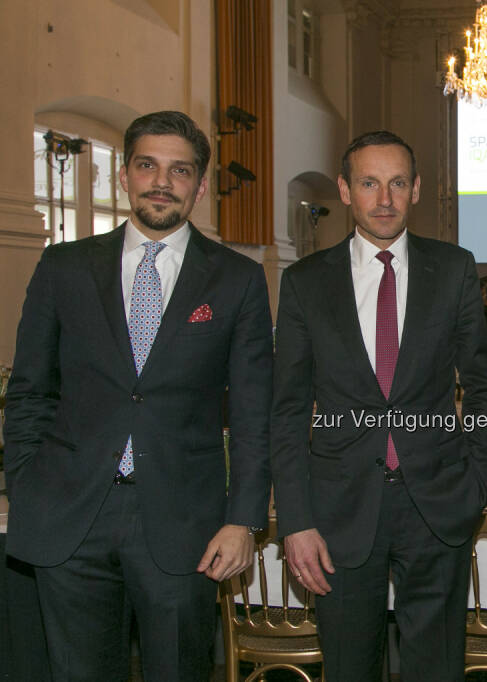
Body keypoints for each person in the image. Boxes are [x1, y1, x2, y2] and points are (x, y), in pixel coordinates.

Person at [3, 110, 274, 681]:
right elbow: (29, 392)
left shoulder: (236, 279)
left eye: (180, 171)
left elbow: (254, 413)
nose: (161, 181)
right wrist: (31, 487)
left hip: (185, 526)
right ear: (125, 175)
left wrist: (244, 520)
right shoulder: (64, 268)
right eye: (148, 165)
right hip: (70, 517)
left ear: (200, 186)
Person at [271, 130, 487, 681]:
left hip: (438, 505)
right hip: (338, 513)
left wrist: (474, 484)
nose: (384, 199)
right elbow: (286, 409)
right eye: (369, 183)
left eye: (397, 183)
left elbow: (484, 387)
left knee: (437, 670)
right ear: (346, 191)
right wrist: (296, 520)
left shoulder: (453, 269)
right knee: (350, 669)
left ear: (416, 188)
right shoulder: (304, 282)